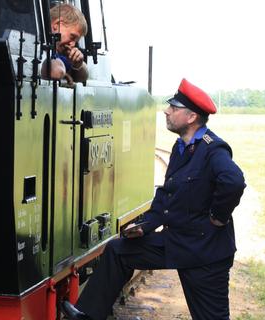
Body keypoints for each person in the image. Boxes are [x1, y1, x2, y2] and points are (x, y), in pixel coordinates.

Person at [62, 78, 246, 320]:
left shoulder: (213, 149)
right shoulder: (181, 147)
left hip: (205, 253)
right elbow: (167, 194)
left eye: (173, 107)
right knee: (118, 250)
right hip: (178, 242)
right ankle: (88, 315)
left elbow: (233, 181)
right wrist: (145, 226)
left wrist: (218, 217)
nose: (166, 111)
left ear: (191, 117)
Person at [41, 3, 89, 83]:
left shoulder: (61, 53)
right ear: (57, 25)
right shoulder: (36, 42)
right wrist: (64, 74)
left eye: (76, 41)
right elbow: (56, 72)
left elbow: (83, 76)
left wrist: (78, 64)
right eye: (72, 37)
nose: (73, 44)